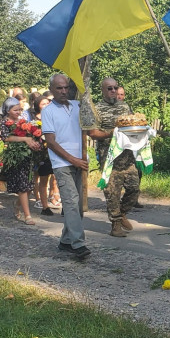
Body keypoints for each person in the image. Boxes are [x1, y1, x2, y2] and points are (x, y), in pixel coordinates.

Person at [41, 73, 91, 260]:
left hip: (80, 160)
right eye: (59, 88)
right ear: (52, 90)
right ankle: (79, 244)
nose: (64, 91)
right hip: (62, 163)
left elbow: (90, 125)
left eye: (66, 87)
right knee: (70, 203)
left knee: (77, 205)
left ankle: (65, 241)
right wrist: (72, 159)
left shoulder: (78, 106)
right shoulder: (48, 111)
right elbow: (51, 142)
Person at [89, 76, 140, 237]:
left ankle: (122, 212)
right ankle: (115, 224)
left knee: (134, 188)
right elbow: (93, 133)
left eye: (115, 88)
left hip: (127, 157)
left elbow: (133, 124)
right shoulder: (96, 109)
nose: (113, 91)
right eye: (109, 88)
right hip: (109, 158)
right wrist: (111, 133)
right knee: (112, 192)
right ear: (103, 90)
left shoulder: (125, 106)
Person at [0, 97, 41, 225]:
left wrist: (34, 142)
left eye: (19, 109)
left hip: (27, 157)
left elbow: (30, 135)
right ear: (8, 110)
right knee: (23, 186)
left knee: (29, 186)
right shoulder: (4, 122)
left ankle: (17, 204)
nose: (18, 112)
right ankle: (27, 215)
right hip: (15, 158)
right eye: (15, 110)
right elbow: (6, 138)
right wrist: (24, 139)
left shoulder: (23, 121)